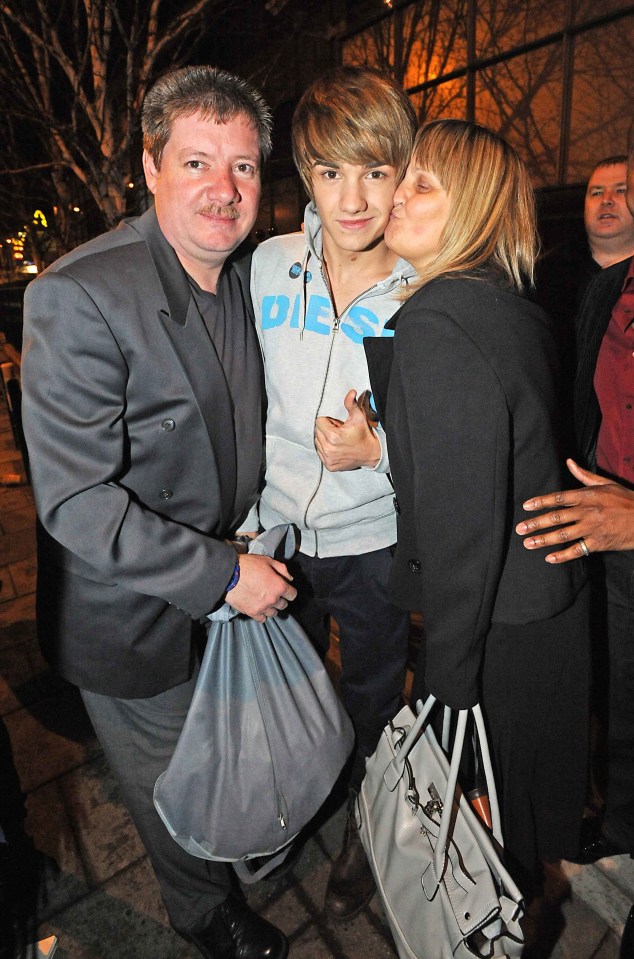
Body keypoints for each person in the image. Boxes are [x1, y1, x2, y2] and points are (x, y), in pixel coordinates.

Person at [21, 65, 297, 959]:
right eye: (197, 162)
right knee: (170, 786)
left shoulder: (251, 274)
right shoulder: (81, 293)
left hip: (234, 583)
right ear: (149, 167)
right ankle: (201, 911)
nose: (225, 190)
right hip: (130, 614)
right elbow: (77, 499)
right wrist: (223, 572)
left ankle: (240, 848)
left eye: (246, 167)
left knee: (225, 755)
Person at [363, 118, 590, 895]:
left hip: (498, 628)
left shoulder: (440, 321)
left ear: (476, 212)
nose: (397, 195)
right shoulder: (505, 303)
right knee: (521, 826)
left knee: (489, 853)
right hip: (540, 610)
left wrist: (446, 682)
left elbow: (463, 535)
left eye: (424, 184)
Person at [245, 66, 416, 919]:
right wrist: (244, 526)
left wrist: (380, 450)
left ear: (402, 173)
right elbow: (238, 399)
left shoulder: (425, 286)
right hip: (276, 538)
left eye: (376, 171)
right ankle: (299, 802)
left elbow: (451, 438)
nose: (353, 198)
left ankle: (372, 824)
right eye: (331, 171)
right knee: (284, 692)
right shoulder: (268, 266)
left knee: (377, 696)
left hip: (375, 541)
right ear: (307, 174)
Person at [515, 119, 634, 867]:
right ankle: (620, 817)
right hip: (599, 512)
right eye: (601, 189)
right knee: (616, 685)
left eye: (625, 189)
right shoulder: (585, 287)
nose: (611, 200)